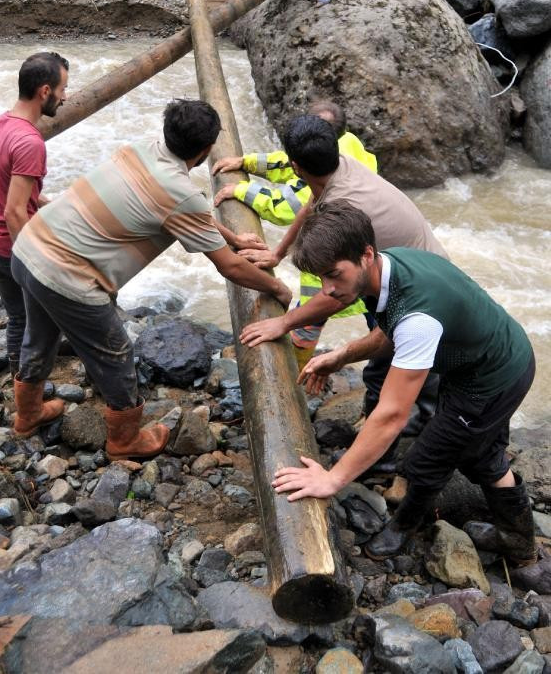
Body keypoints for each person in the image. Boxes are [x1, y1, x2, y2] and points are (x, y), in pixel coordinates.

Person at [9, 99, 292, 460]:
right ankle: (124, 440)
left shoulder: (137, 152)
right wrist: (278, 287)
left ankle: (28, 414)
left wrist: (234, 239)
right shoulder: (181, 195)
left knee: (39, 335)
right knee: (116, 355)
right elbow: (230, 267)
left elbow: (190, 215)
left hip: (29, 248)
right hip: (68, 279)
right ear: (207, 149)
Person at [272, 202, 540, 571]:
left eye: (334, 275)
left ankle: (404, 528)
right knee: (480, 452)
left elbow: (392, 414)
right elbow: (388, 330)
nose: (328, 289)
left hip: (492, 378)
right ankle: (519, 542)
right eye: (320, 278)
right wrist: (343, 356)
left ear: (366, 254)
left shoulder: (418, 319)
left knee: (426, 461)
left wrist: (332, 479)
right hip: (489, 356)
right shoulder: (389, 265)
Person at [238, 114, 446, 468]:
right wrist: (277, 253)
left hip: (419, 288)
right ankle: (413, 424)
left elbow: (337, 293)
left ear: (295, 166)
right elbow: (312, 205)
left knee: (387, 369)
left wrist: (284, 323)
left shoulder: (346, 204)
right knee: (398, 362)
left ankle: (385, 458)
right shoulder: (341, 168)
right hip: (407, 269)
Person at [212, 99, 377, 369]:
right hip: (362, 258)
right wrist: (247, 162)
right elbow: (287, 164)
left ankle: (297, 371)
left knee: (309, 322)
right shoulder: (345, 144)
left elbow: (284, 207)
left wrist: (241, 190)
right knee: (377, 320)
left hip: (343, 264)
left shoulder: (329, 186)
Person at [0, 52, 69, 374]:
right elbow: (14, 212)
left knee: (19, 317)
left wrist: (46, 203)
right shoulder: (31, 142)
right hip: (10, 246)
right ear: (45, 91)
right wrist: (30, 262)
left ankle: (20, 384)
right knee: (41, 325)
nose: (65, 97)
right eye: (62, 89)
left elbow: (1, 184)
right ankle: (31, 390)